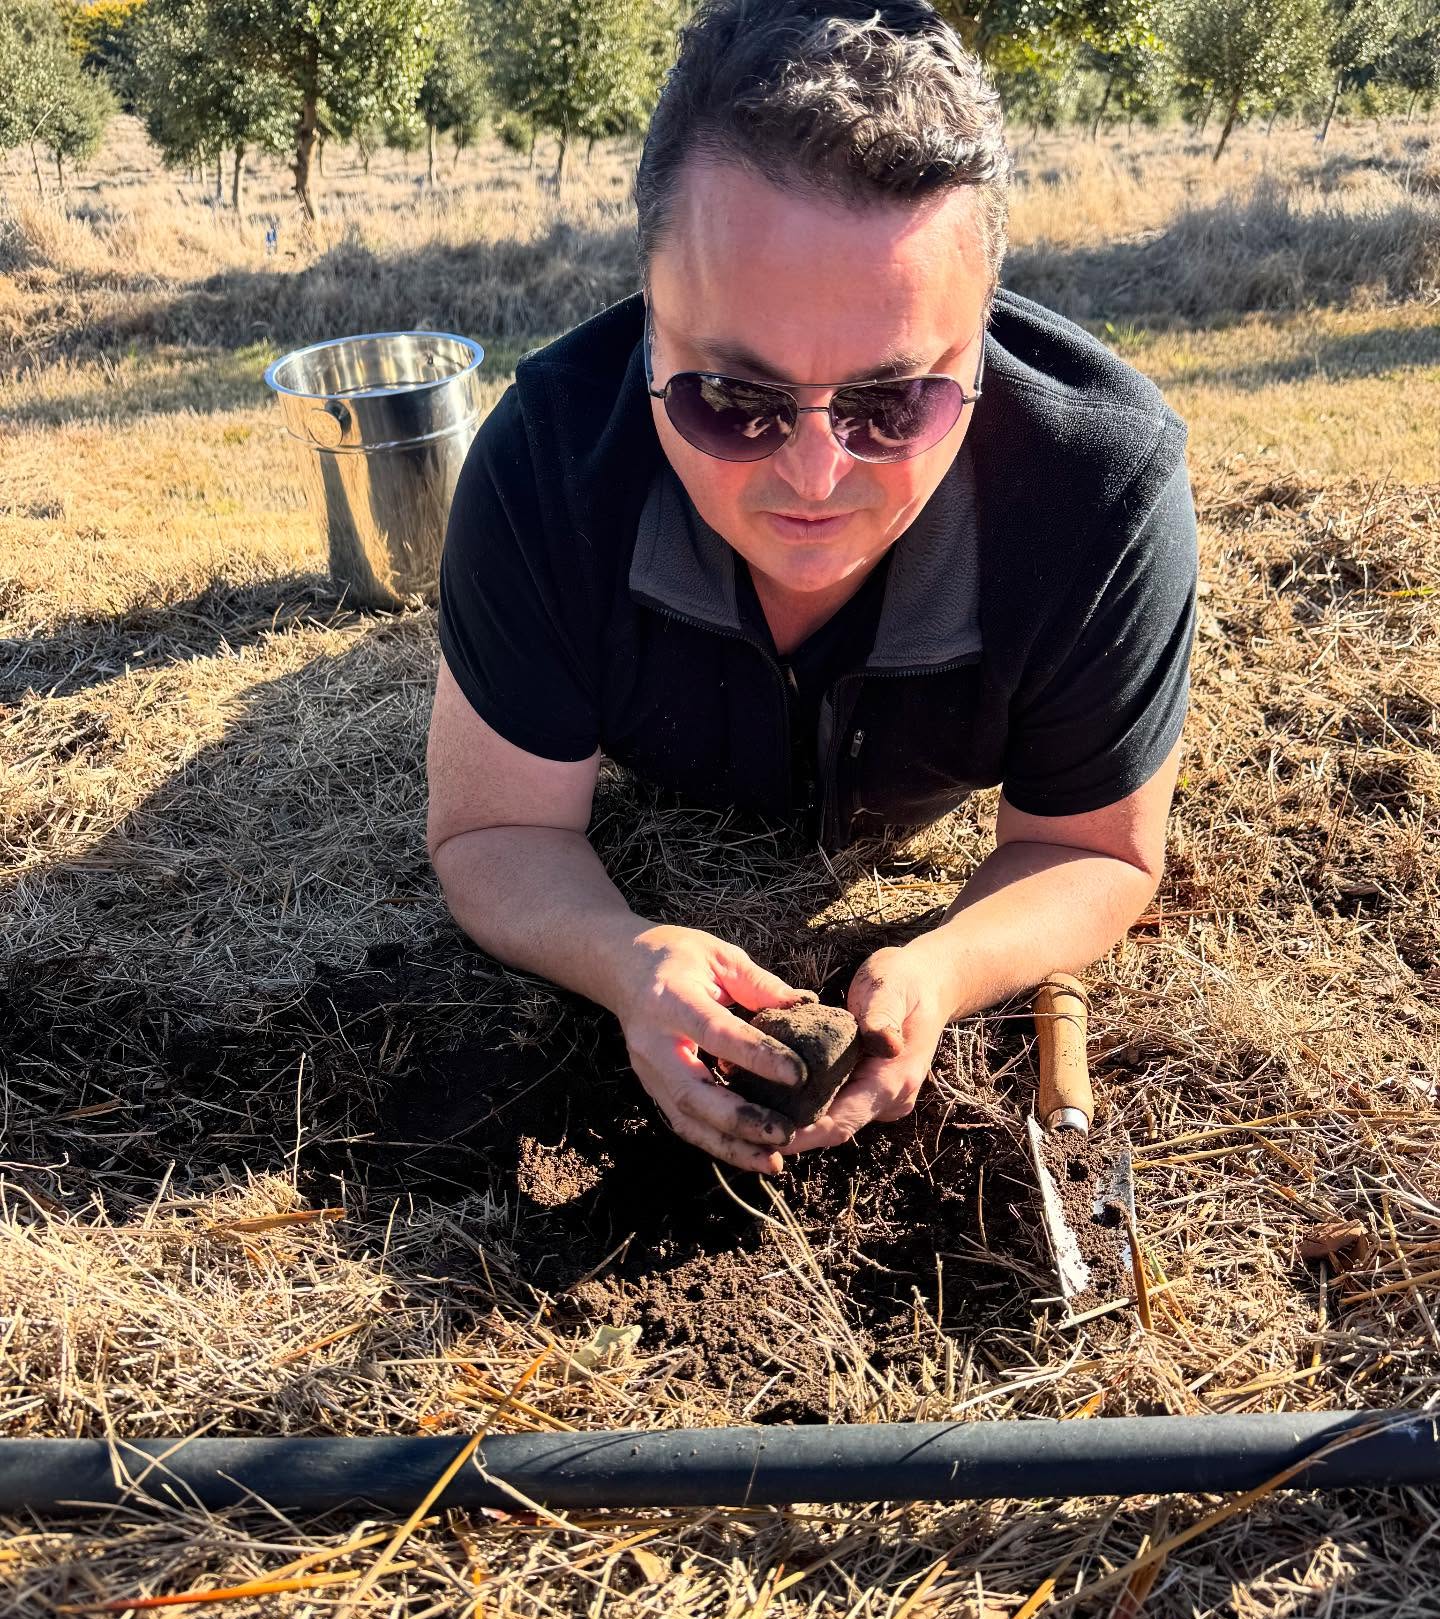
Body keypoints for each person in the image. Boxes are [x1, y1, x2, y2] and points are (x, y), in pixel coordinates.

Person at [427, 0, 1197, 1178]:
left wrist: (947, 965)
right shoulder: (545, 468)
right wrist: (620, 955)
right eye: (734, 398)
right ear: (647, 332)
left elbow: (1094, 848)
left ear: (981, 342)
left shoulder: (1100, 494)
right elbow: (495, 826)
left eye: (895, 403)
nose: (815, 476)